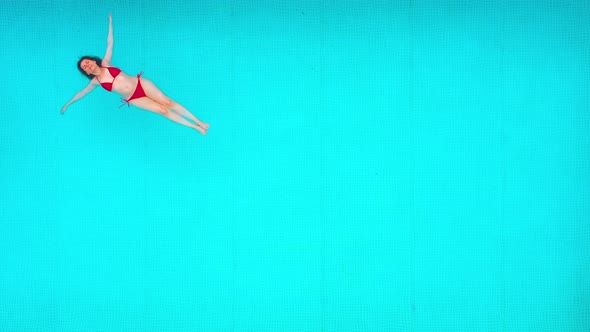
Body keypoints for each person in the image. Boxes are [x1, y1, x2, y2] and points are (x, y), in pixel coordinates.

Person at [61, 14, 210, 135]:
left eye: (87, 61)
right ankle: (195, 127)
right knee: (162, 110)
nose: (88, 64)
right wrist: (67, 104)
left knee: (168, 102)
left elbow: (110, 43)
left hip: (141, 84)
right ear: (86, 72)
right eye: (85, 66)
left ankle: (199, 122)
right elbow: (81, 93)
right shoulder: (96, 82)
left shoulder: (106, 62)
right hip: (133, 98)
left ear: (93, 61)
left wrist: (110, 22)